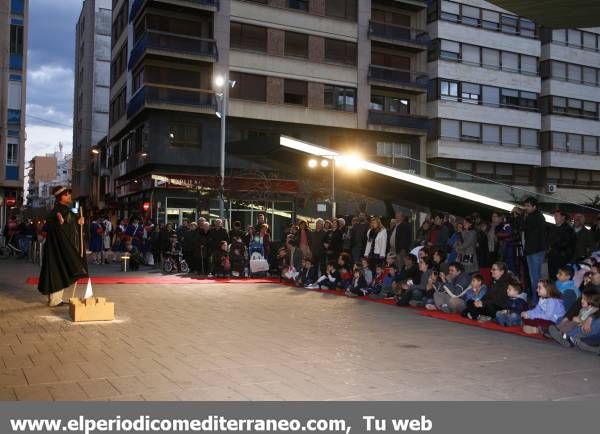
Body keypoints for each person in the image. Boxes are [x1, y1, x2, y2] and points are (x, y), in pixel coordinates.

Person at [37, 186, 88, 307]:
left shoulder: (66, 210)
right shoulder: (57, 211)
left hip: (62, 247)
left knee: (61, 269)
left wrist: (79, 222)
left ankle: (55, 299)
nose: (69, 196)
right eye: (66, 195)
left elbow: (71, 223)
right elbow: (49, 226)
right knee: (57, 269)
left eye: (69, 194)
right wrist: (58, 223)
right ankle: (55, 299)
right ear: (60, 197)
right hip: (57, 248)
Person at [521, 197, 547, 305]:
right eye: (525, 206)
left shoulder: (535, 217)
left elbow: (525, 228)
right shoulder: (537, 216)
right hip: (533, 249)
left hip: (536, 250)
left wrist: (523, 218)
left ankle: (537, 300)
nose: (526, 208)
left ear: (534, 206)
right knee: (534, 276)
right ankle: (536, 299)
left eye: (528, 206)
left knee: (535, 276)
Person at [547, 210, 575, 281]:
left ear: (563, 217)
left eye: (557, 216)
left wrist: (552, 246)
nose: (555, 217)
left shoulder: (568, 229)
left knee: (560, 278)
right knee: (552, 277)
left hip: (562, 258)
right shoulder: (553, 227)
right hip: (552, 257)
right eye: (554, 216)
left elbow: (566, 243)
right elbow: (548, 239)